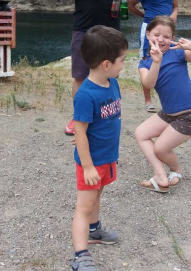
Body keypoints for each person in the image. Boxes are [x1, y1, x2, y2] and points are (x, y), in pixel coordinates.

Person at [60, 0, 137, 136]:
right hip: (83, 28)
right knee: (80, 76)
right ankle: (78, 118)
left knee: (110, 76)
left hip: (111, 31)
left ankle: (107, 116)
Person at [135, 16, 191, 192]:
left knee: (160, 149)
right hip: (170, 113)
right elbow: (148, 84)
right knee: (141, 133)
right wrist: (156, 62)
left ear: (172, 38)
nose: (161, 39)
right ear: (148, 34)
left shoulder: (178, 53)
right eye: (157, 34)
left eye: (167, 36)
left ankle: (176, 170)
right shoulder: (145, 62)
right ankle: (160, 176)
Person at [70, 25, 128, 271]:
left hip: (106, 158)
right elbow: (79, 130)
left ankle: (95, 230)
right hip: (91, 163)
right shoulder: (86, 94)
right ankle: (80, 257)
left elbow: (99, 123)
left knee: (98, 195)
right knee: (84, 206)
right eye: (122, 60)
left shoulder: (112, 83)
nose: (124, 64)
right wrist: (87, 165)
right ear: (106, 64)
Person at [127, 0, 180, 113]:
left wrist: (171, 18)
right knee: (148, 61)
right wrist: (145, 17)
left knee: (169, 61)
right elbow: (130, 5)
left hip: (167, 31)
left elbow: (176, 6)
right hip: (149, 31)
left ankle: (168, 98)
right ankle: (148, 100)